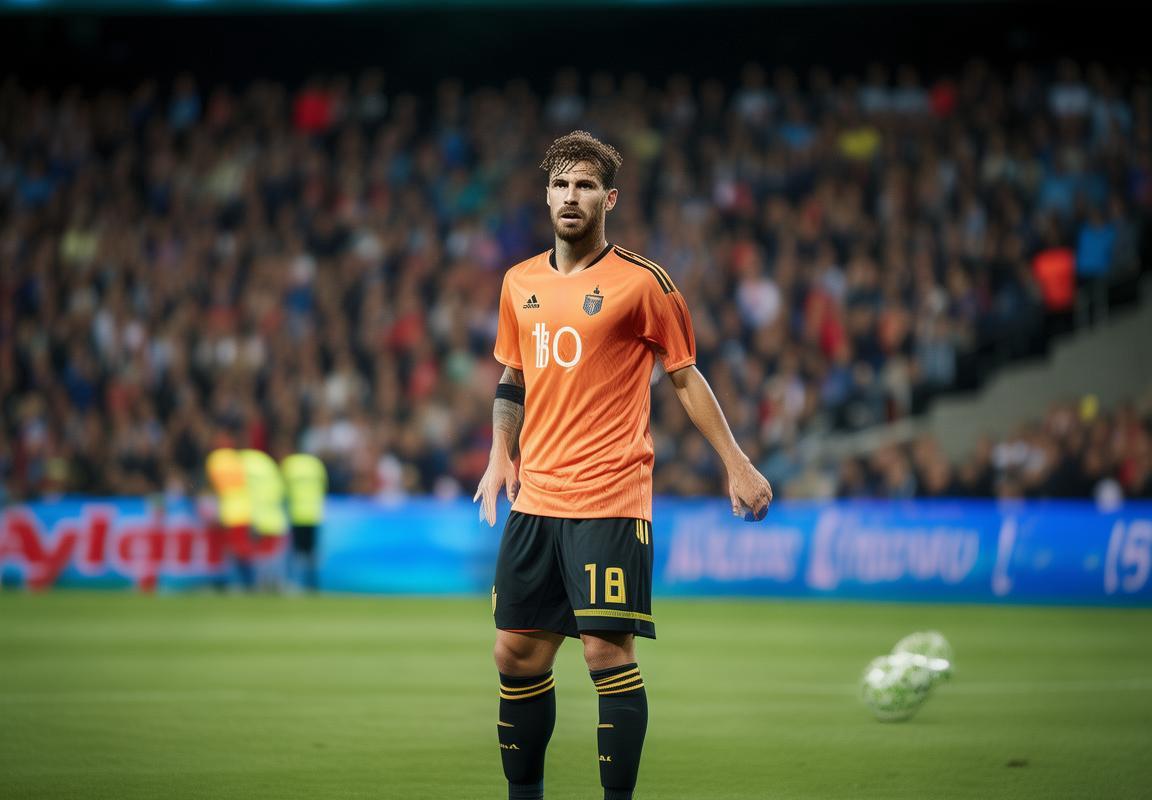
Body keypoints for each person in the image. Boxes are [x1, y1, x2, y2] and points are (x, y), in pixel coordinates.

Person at [474, 131, 773, 800]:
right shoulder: (518, 282)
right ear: (546, 195)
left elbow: (686, 376)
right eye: (560, 184)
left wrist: (736, 462)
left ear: (608, 199)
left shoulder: (644, 283)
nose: (570, 196)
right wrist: (499, 454)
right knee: (514, 653)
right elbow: (512, 377)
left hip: (610, 498)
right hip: (536, 500)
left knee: (605, 652)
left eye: (584, 185)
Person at [280, 451, 328, 591]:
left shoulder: (290, 464)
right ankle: (312, 585)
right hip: (314, 514)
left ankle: (293, 583)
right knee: (312, 554)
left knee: (294, 553)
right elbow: (324, 487)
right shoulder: (316, 465)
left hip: (296, 514)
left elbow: (282, 489)